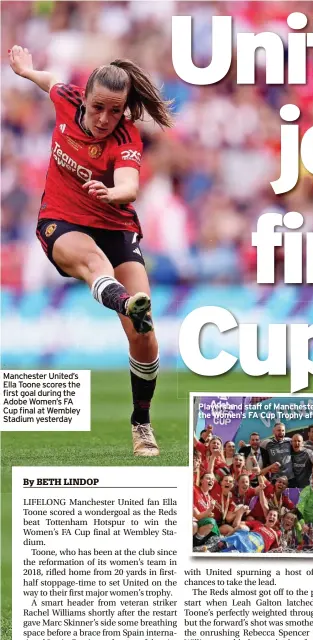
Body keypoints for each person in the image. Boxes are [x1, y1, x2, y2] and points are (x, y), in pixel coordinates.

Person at [9, 46, 174, 457]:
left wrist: (111, 192)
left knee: (145, 338)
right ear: (83, 98)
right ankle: (123, 300)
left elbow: (130, 186)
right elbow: (48, 81)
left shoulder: (125, 137)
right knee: (94, 264)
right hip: (61, 222)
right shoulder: (64, 97)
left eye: (115, 111)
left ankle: (141, 423)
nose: (105, 119)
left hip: (115, 226)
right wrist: (27, 70)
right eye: (98, 107)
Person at [192, 472, 219, 547]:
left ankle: (198, 543)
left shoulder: (209, 498)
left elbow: (204, 515)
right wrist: (209, 510)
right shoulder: (194, 489)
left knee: (212, 523)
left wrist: (209, 513)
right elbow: (197, 516)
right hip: (193, 520)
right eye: (208, 478)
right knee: (210, 522)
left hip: (200, 522)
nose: (211, 481)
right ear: (201, 481)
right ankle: (195, 543)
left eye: (213, 480)